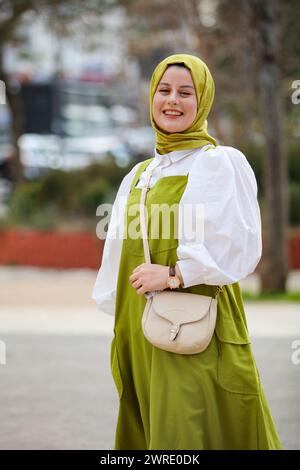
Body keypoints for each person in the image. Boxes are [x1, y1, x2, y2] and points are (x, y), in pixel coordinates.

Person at [92, 53, 282, 450]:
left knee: (190, 428)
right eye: (163, 91)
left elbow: (240, 247)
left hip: (193, 323)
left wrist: (177, 274)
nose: (172, 101)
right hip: (139, 324)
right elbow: (117, 251)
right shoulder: (140, 173)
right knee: (151, 428)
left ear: (203, 102)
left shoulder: (218, 163)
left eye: (185, 92)